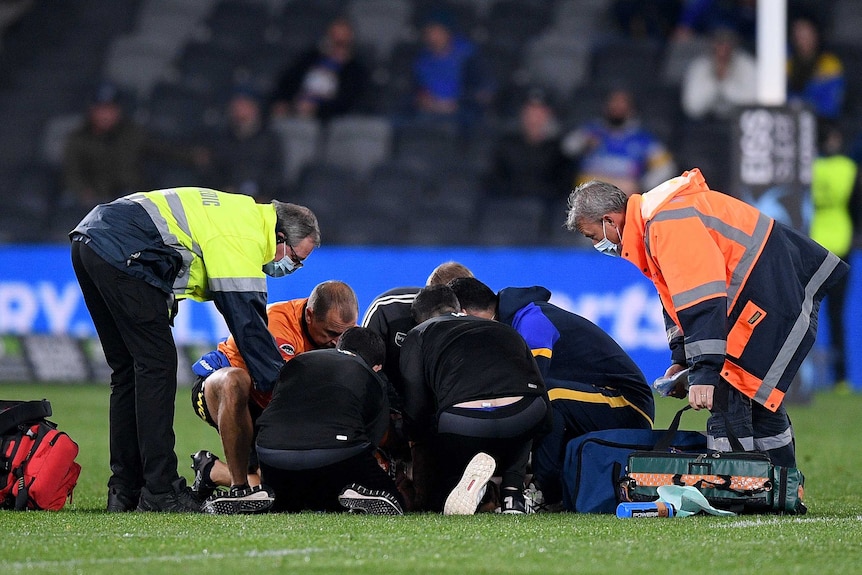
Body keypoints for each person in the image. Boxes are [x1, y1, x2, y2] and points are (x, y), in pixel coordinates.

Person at [565, 168, 849, 468]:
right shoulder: (656, 221)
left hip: (767, 293)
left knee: (727, 389)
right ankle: (780, 486)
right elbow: (677, 301)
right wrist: (683, 359)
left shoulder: (666, 223)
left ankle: (741, 487)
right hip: (770, 290)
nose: (599, 246)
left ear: (610, 220)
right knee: (752, 396)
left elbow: (703, 299)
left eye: (593, 236)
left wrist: (705, 373)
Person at [70, 189, 320, 513]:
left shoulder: (241, 216)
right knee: (156, 366)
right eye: (295, 259)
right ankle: (160, 491)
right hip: (124, 249)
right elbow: (250, 326)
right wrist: (285, 397)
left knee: (129, 372)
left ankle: (125, 490)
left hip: (92, 240)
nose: (292, 267)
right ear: (281, 237)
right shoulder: (244, 235)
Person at [449, 277, 655, 510]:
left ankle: (543, 492)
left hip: (629, 405)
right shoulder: (514, 322)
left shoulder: (531, 321)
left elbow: (530, 389)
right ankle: (535, 485)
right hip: (598, 400)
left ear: (463, 314)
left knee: (544, 396)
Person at [189, 280, 359, 514]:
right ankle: (240, 489)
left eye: (345, 334)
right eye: (331, 333)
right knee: (235, 380)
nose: (337, 342)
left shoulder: (341, 335)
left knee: (278, 491)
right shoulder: (277, 325)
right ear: (309, 316)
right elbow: (282, 390)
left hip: (275, 405)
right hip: (227, 393)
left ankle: (211, 470)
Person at [399, 284, 551, 515]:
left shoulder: (419, 333)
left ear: (419, 318)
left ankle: (465, 482)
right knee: (522, 404)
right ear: (458, 308)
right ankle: (512, 494)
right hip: (525, 416)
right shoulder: (503, 328)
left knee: (436, 423)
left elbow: (415, 408)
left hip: (463, 423)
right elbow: (538, 389)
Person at [255, 326, 403, 514]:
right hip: (336, 454)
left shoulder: (298, 360)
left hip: (270, 453)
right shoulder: (370, 375)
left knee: (293, 502)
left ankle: (274, 499)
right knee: (393, 499)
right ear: (377, 367)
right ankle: (346, 496)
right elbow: (374, 439)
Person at [62, 81, 205, 211]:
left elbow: (163, 149)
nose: (105, 115)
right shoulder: (78, 138)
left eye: (110, 109)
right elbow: (72, 173)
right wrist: (83, 192)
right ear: (92, 111)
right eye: (101, 109)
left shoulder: (133, 133)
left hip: (132, 201)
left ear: (118, 111)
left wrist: (192, 156)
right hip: (91, 202)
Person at [360, 261, 474, 400]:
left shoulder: (473, 319)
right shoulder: (386, 309)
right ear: (429, 293)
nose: (451, 317)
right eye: (443, 309)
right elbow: (362, 366)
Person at [808, 122, 860, 390]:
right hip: (841, 247)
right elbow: (857, 208)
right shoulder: (849, 170)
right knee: (837, 317)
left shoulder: (808, 169)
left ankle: (802, 379)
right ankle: (840, 379)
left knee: (804, 316)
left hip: (812, 248)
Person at [561, 87, 676, 197]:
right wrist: (584, 142)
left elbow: (666, 167)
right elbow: (567, 148)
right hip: (587, 194)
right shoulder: (592, 130)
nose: (617, 107)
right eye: (613, 102)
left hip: (621, 196)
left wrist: (641, 186)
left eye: (622, 103)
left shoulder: (643, 139)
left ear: (631, 108)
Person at [270, 17, 368, 121]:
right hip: (295, 110)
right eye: (334, 40)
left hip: (327, 118)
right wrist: (284, 101)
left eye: (342, 42)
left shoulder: (355, 70)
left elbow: (348, 101)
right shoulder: (310, 59)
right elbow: (287, 82)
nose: (338, 46)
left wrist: (316, 109)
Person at [410, 9, 495, 130]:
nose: (432, 35)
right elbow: (417, 90)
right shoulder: (422, 60)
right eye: (429, 31)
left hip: (462, 111)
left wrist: (457, 103)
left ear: (447, 31)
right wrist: (425, 100)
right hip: (430, 112)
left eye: (436, 30)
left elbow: (484, 90)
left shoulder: (468, 54)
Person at [487, 89, 569, 203]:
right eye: (530, 112)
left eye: (539, 113)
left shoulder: (559, 150)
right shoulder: (507, 145)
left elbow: (562, 187)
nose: (534, 118)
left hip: (542, 208)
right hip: (507, 206)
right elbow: (495, 180)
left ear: (548, 115)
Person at [205, 83, 284, 202]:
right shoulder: (222, 137)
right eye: (236, 105)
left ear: (254, 108)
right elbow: (214, 167)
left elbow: (276, 172)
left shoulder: (270, 139)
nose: (238, 110)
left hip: (261, 201)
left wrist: (263, 194)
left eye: (243, 105)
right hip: (224, 199)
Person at [680, 26, 757, 121]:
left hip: (739, 123)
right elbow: (692, 108)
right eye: (719, 43)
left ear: (735, 44)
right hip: (705, 125)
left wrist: (725, 82)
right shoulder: (699, 66)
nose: (723, 48)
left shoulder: (747, 64)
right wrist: (715, 81)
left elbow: (752, 104)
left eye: (728, 42)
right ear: (712, 44)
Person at [786, 14, 845, 120]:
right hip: (791, 120)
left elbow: (830, 106)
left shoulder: (829, 63)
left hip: (821, 122)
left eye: (806, 33)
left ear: (815, 34)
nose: (802, 39)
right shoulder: (787, 63)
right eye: (798, 33)